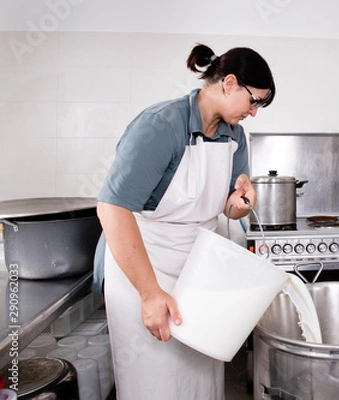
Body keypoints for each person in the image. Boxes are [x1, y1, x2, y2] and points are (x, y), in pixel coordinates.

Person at [94, 43, 275, 399]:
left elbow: (227, 207)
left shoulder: (234, 135)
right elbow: (112, 209)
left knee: (201, 377)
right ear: (229, 83)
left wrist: (241, 201)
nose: (254, 112)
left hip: (197, 272)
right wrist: (149, 294)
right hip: (147, 265)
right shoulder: (161, 126)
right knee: (155, 381)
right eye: (254, 100)